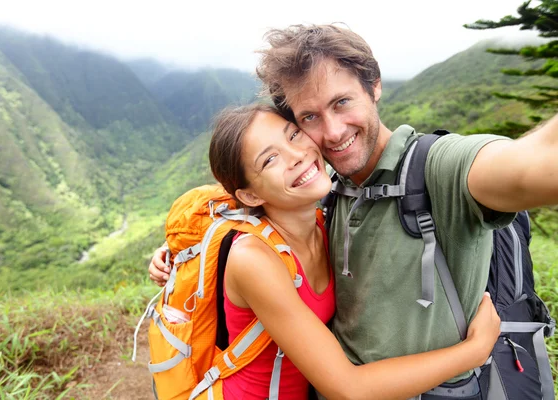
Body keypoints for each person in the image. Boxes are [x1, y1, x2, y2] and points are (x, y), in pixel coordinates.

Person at [151, 24, 558, 395]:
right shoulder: (326, 198)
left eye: (342, 102)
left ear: (375, 85)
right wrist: (179, 255)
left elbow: (532, 165)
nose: (330, 132)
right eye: (309, 117)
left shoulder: (439, 168)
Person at [178, 102, 500, 399]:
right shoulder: (255, 260)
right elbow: (348, 389)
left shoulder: (324, 221)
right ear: (248, 196)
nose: (297, 154)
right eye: (270, 159)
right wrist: (473, 351)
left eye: (293, 134)